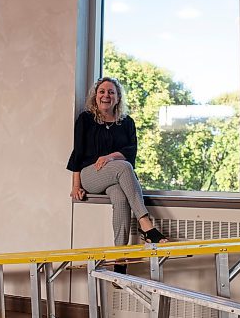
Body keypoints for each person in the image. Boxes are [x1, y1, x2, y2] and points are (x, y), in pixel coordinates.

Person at [67, 77, 167, 275]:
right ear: (95, 96)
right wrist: (75, 185)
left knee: (121, 198)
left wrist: (110, 156)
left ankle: (120, 262)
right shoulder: (86, 119)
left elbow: (131, 151)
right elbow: (77, 153)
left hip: (115, 177)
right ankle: (146, 225)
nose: (106, 95)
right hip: (90, 176)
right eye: (102, 91)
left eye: (111, 92)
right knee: (123, 166)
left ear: (118, 97)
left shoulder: (127, 122)